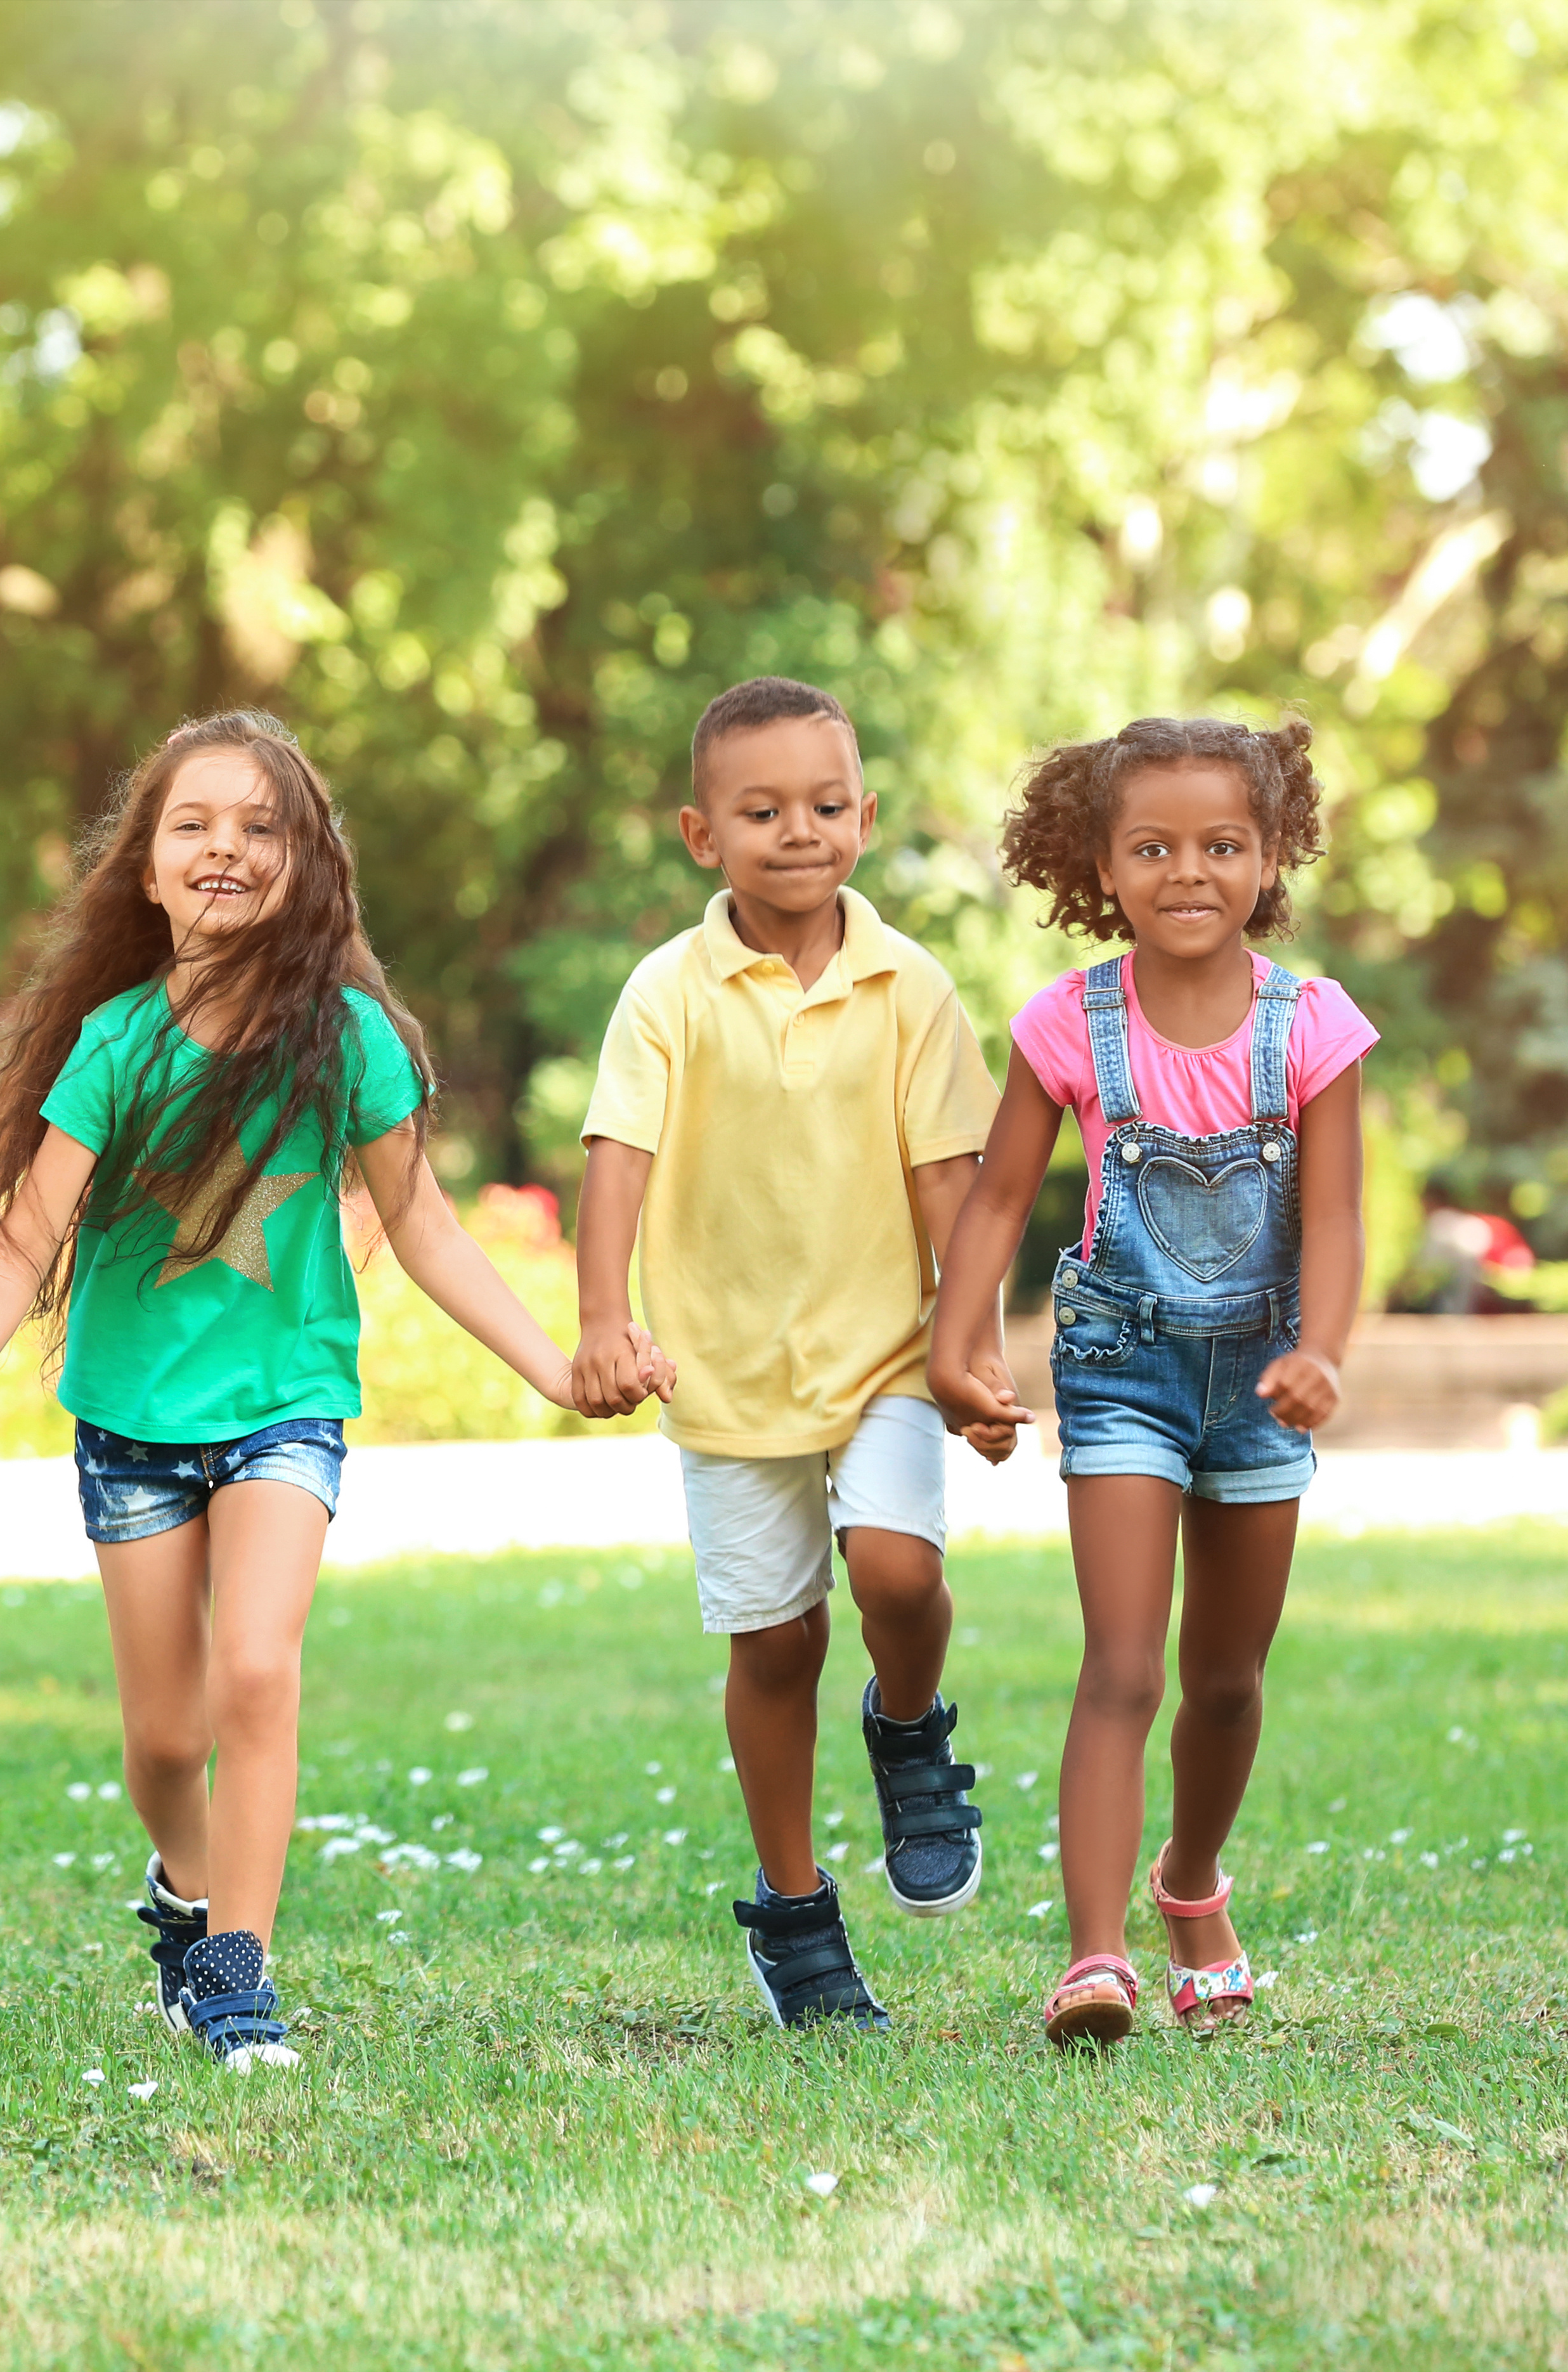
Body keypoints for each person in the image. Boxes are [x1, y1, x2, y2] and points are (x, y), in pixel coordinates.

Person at [0, 711, 629, 2071]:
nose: (226, 849)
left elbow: (426, 1230)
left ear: (306, 863)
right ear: (147, 866)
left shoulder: (344, 1036)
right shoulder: (117, 1043)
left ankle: (237, 1967)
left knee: (256, 1668)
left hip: (285, 1405)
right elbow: (23, 1242)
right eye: (195, 824)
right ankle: (184, 1887)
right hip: (129, 1421)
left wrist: (554, 1366)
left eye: (260, 827)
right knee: (165, 1735)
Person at [924, 715, 1376, 2047]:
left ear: (1272, 853)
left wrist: (1322, 1351)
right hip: (1120, 1371)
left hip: (1261, 1381)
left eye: (1222, 843)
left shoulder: (1313, 1025)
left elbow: (1338, 1219)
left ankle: (1189, 1883)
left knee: (1225, 1676)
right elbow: (1001, 1195)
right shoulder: (1072, 1021)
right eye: (1154, 846)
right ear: (1100, 866)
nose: (1190, 871)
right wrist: (957, 1345)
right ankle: (1094, 1955)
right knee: (1120, 1663)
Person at [567, 677, 1002, 2032]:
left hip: (887, 1352)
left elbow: (953, 1181)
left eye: (824, 805)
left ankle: (911, 1726)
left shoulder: (910, 984)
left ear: (865, 817)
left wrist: (969, 1346)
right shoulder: (666, 990)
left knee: (896, 1569)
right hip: (721, 1366)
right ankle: (793, 1907)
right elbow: (616, 1158)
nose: (796, 831)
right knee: (774, 1644)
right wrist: (600, 1320)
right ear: (703, 834)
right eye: (760, 810)